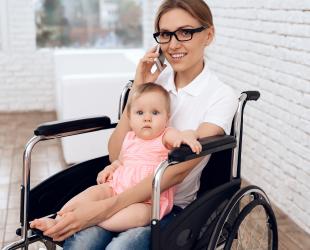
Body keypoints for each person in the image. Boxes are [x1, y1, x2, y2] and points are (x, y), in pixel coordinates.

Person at [41, 0, 238, 249]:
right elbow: (115, 153)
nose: (173, 44)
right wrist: (138, 86)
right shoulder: (155, 85)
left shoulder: (220, 95)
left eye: (185, 32)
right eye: (165, 34)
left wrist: (104, 209)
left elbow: (178, 171)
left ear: (208, 35)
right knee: (81, 245)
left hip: (168, 206)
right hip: (121, 191)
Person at [30, 83, 202, 233]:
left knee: (138, 216)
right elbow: (120, 161)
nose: (147, 118)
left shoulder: (165, 136)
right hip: (116, 188)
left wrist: (187, 136)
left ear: (167, 118)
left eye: (155, 112)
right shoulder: (129, 138)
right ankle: (60, 219)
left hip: (149, 201)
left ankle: (90, 219)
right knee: (92, 192)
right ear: (130, 118)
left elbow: (181, 136)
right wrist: (110, 169)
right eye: (140, 112)